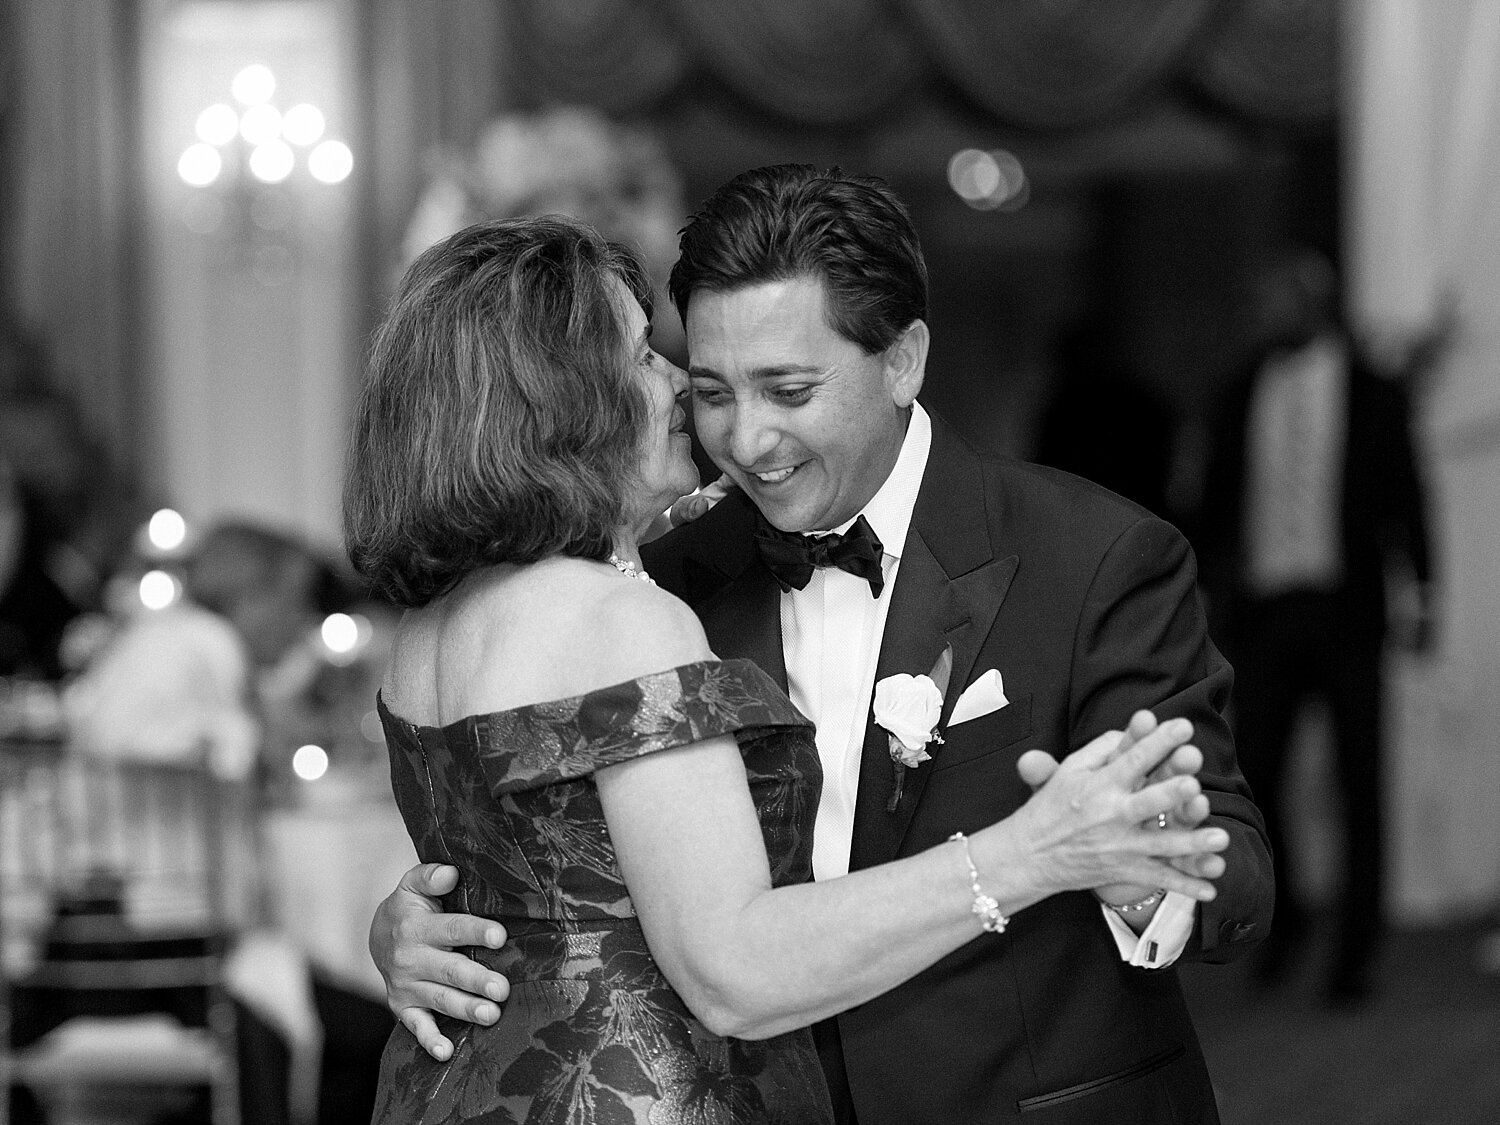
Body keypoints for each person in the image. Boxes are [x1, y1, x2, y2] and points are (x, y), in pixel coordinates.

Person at [364, 174, 1272, 1124]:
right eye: (710, 390)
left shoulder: (1093, 556)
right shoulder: (653, 588)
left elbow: (1232, 862)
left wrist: (1137, 874)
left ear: (902, 360)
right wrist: (412, 927)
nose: (746, 439)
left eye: (789, 390)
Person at [1196, 247, 1434, 1005]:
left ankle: (1356, 948)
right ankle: (1287, 917)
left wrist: (1422, 591)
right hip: (1264, 614)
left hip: (1346, 608)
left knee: (1358, 777)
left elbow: (1408, 494)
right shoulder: (1238, 392)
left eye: (1278, 298)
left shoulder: (1372, 389)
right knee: (1255, 774)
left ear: (1314, 300)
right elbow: (1213, 504)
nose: (1265, 312)